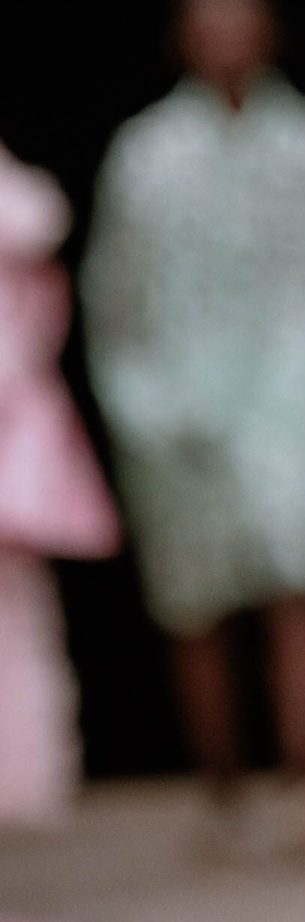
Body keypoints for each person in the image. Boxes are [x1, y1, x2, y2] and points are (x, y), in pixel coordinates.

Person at [77, 0, 305, 866]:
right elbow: (114, 290)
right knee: (195, 604)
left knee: (300, 580)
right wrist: (142, 401)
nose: (227, 38)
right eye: (208, 23)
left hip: (293, 403)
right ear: (182, 38)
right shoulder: (145, 153)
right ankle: (223, 791)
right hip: (177, 407)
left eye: (242, 20)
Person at [0, 135, 122, 825]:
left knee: (19, 612)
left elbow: (35, 217)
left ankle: (29, 773)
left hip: (12, 429)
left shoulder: (18, 206)